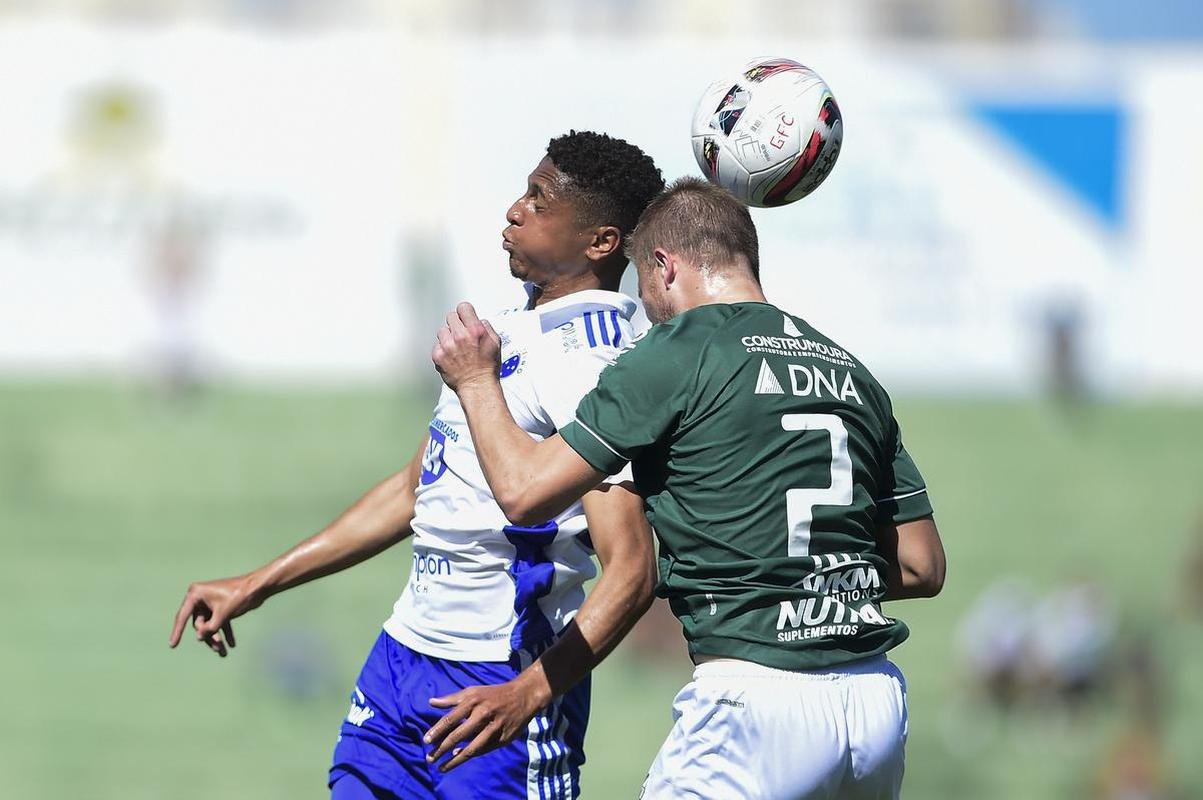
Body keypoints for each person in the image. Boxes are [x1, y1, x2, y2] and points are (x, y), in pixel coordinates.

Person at [168, 130, 665, 800]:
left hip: (495, 680)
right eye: (522, 190)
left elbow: (631, 567)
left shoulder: (591, 360)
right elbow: (412, 490)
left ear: (600, 242)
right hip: (401, 660)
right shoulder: (503, 331)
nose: (515, 210)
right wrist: (258, 583)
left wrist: (528, 693)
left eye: (539, 201)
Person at [429, 177, 947, 799]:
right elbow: (921, 566)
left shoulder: (679, 349)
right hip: (875, 708)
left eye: (643, 286)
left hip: (756, 702)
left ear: (664, 266)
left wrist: (475, 379)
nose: (645, 305)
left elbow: (523, 492)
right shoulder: (849, 370)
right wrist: (805, 579)